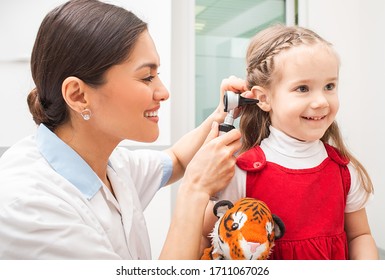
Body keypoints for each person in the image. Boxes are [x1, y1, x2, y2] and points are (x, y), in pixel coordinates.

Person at [0, 0, 244, 260]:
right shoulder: (30, 207)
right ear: (78, 95)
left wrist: (220, 114)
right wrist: (195, 190)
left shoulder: (111, 165)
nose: (163, 92)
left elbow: (176, 159)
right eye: (146, 77)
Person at [202, 24, 378, 260]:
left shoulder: (345, 170)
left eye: (329, 86)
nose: (321, 101)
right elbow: (208, 236)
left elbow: (360, 235)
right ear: (264, 98)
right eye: (303, 88)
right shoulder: (241, 172)